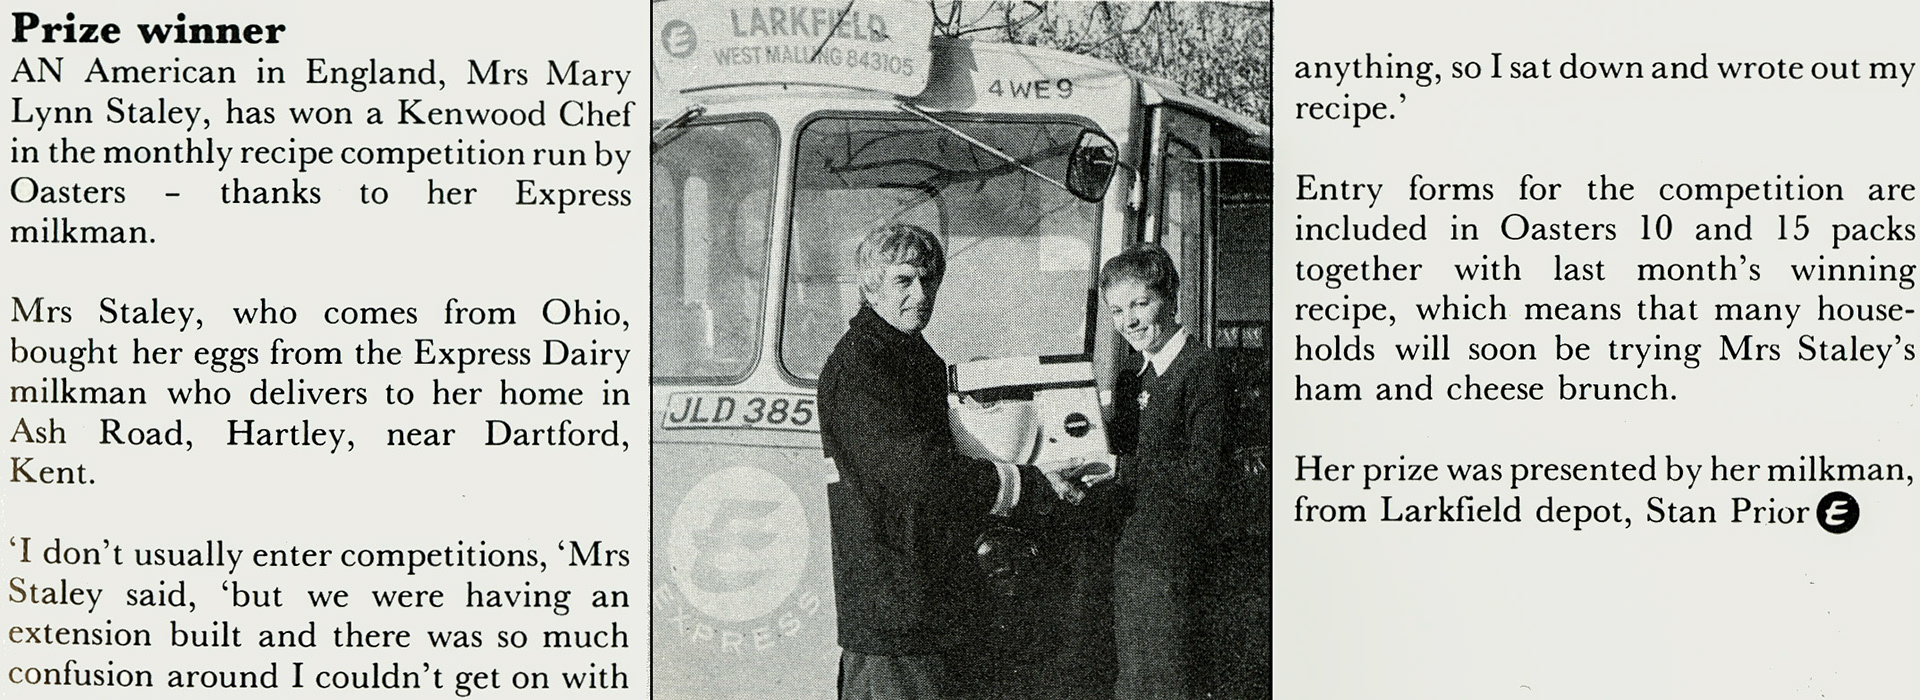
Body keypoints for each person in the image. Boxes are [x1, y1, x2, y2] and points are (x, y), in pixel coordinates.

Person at [818, 223, 1089, 700]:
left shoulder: (908, 355)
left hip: (927, 602)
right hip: (895, 614)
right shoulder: (861, 369)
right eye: (904, 280)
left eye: (929, 279)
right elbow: (921, 475)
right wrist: (1028, 485)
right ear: (870, 286)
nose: (920, 293)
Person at [1099, 242, 1226, 700]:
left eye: (1140, 304)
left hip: (1172, 558)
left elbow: (1202, 478)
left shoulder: (1201, 370)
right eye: (1117, 311)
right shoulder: (1136, 375)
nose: (1128, 321)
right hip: (1138, 553)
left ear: (1170, 296)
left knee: (1160, 681)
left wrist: (1117, 468)